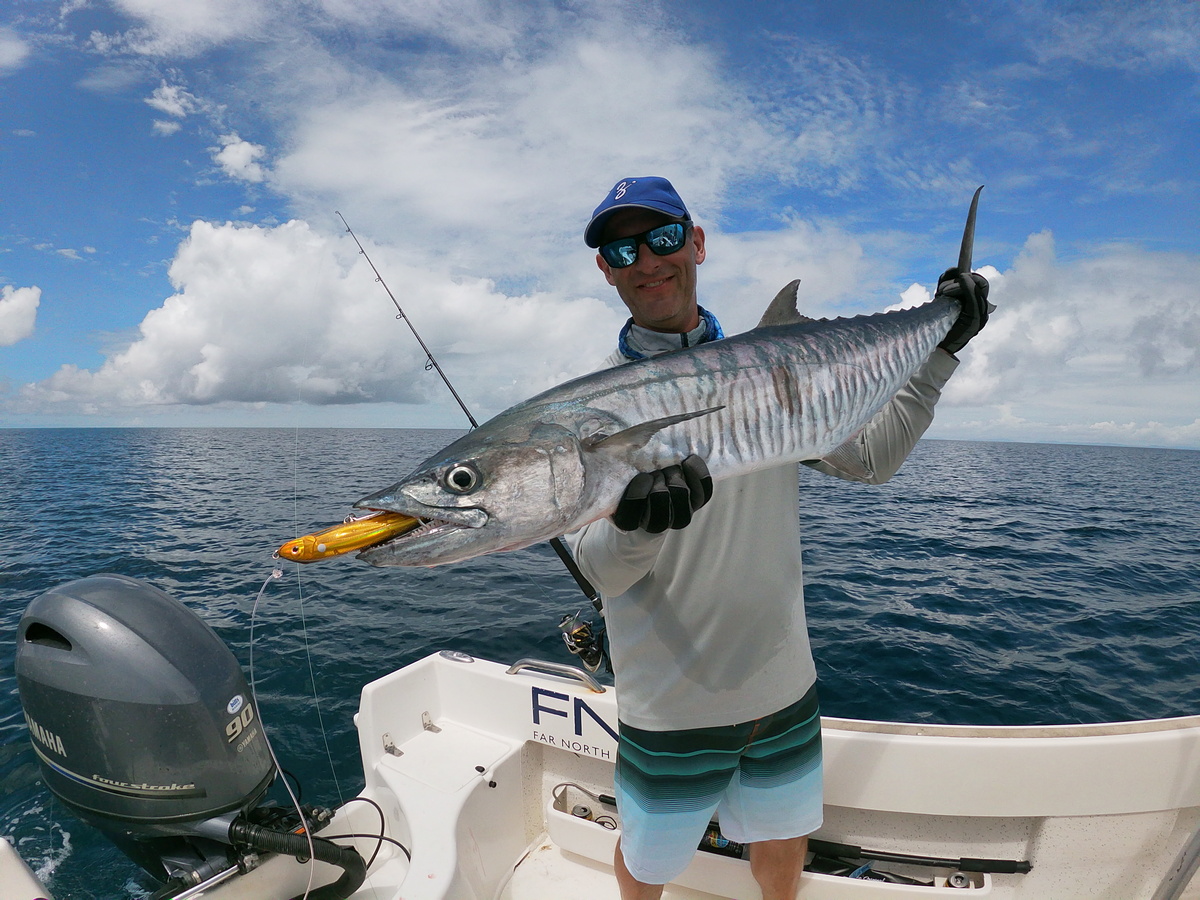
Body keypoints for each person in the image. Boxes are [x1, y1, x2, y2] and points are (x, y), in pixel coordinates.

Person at [568, 176, 990, 900]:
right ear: (604, 268)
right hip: (670, 706)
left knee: (782, 838)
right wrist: (635, 529)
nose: (647, 261)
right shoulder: (586, 409)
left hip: (782, 684)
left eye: (663, 238)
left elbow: (874, 459)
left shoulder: (780, 375)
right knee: (646, 861)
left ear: (695, 243)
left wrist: (941, 350)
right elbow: (601, 574)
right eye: (622, 248)